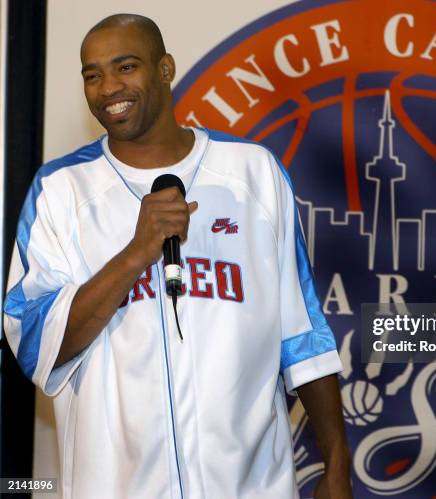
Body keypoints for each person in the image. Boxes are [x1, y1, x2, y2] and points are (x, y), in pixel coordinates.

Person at [4, 13, 352, 499]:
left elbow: (302, 334)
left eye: (126, 67)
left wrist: (336, 465)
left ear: (165, 68)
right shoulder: (60, 190)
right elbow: (33, 341)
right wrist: (135, 254)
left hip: (250, 486)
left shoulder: (252, 173)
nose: (108, 87)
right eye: (92, 74)